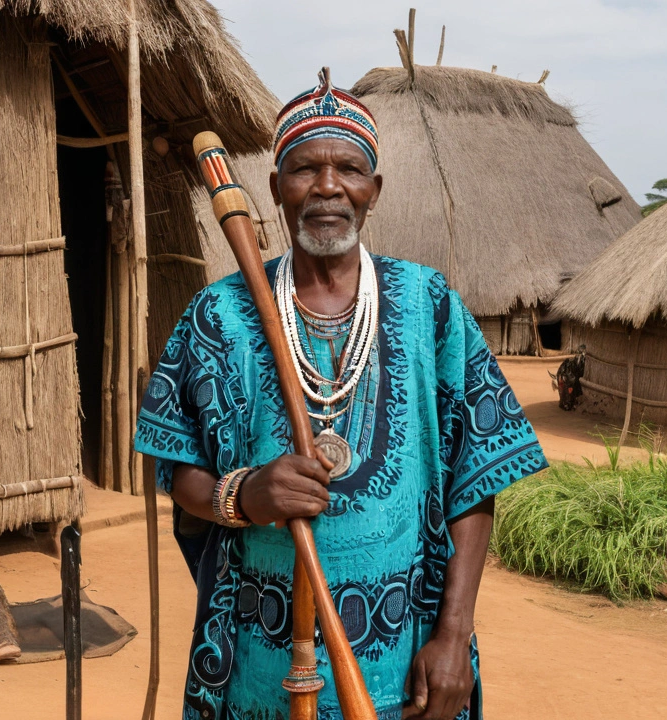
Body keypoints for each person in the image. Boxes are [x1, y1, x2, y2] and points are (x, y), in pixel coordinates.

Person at [136, 68, 547, 720]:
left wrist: (453, 634)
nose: (328, 186)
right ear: (276, 188)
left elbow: (476, 477)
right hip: (258, 670)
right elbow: (174, 464)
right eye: (305, 169)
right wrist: (244, 494)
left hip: (403, 668)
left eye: (349, 169)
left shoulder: (429, 305)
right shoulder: (219, 313)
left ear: (373, 190)